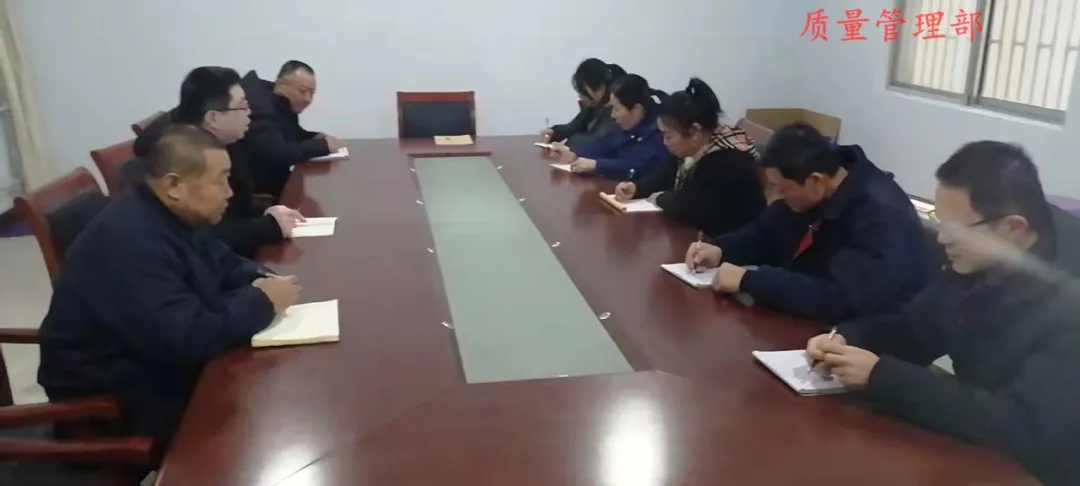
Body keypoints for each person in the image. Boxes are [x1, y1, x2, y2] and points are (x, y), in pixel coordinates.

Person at [806, 141, 1080, 484]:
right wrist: (846, 338)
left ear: (1013, 228)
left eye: (956, 228)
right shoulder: (980, 259)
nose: (942, 239)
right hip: (977, 451)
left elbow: (1019, 425)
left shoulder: (1069, 304)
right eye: (940, 222)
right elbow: (915, 330)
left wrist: (881, 377)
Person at [37, 126, 301, 468]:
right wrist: (261, 301)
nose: (230, 192)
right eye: (220, 180)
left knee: (273, 394)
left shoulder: (172, 213)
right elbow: (187, 338)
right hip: (113, 404)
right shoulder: (132, 242)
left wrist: (262, 278)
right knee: (262, 429)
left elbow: (223, 261)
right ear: (174, 185)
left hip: (155, 367)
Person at [685, 122, 938, 323]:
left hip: (864, 337)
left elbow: (839, 298)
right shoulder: (814, 189)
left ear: (815, 181)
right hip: (808, 318)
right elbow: (766, 233)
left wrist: (751, 280)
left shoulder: (879, 216)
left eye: (783, 188)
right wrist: (722, 249)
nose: (778, 196)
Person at [132, 66, 305, 258]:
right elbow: (203, 236)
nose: (249, 112)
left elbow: (235, 205)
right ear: (213, 117)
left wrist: (268, 211)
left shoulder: (225, 141)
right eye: (242, 106)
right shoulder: (179, 158)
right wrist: (268, 227)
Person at [613, 77, 766, 235]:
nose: (665, 142)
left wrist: (659, 198)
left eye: (668, 135)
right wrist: (637, 188)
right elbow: (664, 178)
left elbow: (690, 207)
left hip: (722, 240)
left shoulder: (728, 160)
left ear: (694, 131)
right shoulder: (691, 147)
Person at [240, 60, 344, 196]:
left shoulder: (279, 101)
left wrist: (315, 136)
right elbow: (277, 153)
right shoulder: (258, 106)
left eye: (312, 93)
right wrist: (323, 146)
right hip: (257, 190)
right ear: (281, 85)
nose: (308, 99)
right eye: (303, 91)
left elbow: (290, 134)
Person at [547, 74, 669, 180]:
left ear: (637, 108)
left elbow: (636, 166)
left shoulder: (659, 130)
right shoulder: (628, 124)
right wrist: (573, 154)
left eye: (617, 109)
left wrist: (597, 165)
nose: (612, 115)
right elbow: (603, 144)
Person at [541, 59, 625, 149]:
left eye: (583, 91)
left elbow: (596, 142)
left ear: (601, 88)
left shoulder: (616, 110)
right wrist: (554, 132)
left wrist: (568, 144)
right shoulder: (594, 105)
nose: (580, 96)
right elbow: (575, 126)